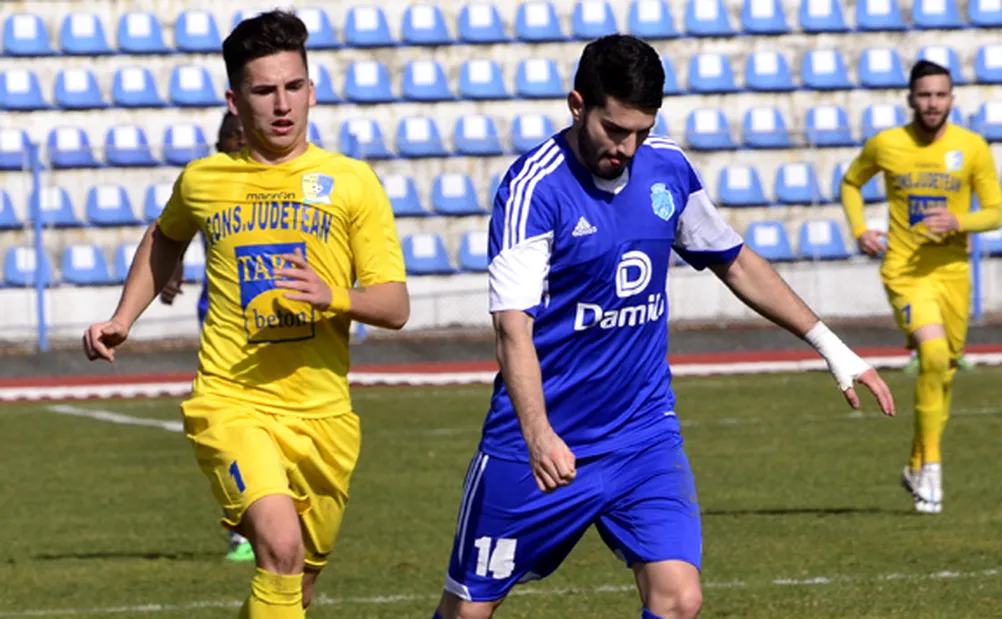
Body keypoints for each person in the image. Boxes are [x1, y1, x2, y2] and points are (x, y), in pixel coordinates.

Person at [432, 34, 895, 619]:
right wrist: (538, 433)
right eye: (615, 129)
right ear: (578, 105)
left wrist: (831, 346)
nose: (627, 147)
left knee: (679, 600)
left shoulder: (667, 168)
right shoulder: (533, 190)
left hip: (642, 436)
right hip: (542, 444)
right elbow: (512, 330)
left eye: (641, 132)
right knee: (468, 611)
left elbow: (735, 259)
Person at [82, 10, 409, 618]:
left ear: (312, 90)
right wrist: (123, 317)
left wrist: (333, 295)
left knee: (296, 584)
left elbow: (394, 306)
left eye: (292, 87)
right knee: (279, 549)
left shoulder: (352, 184)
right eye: (263, 91)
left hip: (324, 417)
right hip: (232, 400)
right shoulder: (205, 180)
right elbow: (165, 236)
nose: (281, 105)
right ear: (235, 101)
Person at [840, 60, 1002, 515]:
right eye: (924, 95)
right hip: (905, 270)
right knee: (931, 357)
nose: (932, 103)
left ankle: (915, 465)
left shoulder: (971, 148)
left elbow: (994, 212)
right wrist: (859, 230)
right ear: (911, 99)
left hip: (953, 273)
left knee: (944, 370)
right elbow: (851, 182)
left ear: (952, 99)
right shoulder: (888, 144)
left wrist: (961, 220)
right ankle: (931, 466)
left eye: (940, 95)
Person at [158, 111, 255, 563]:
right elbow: (173, 233)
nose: (232, 143)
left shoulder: (276, 176)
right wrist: (170, 273)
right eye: (227, 138)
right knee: (232, 419)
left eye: (237, 135)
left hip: (274, 318)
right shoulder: (210, 180)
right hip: (219, 314)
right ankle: (241, 530)